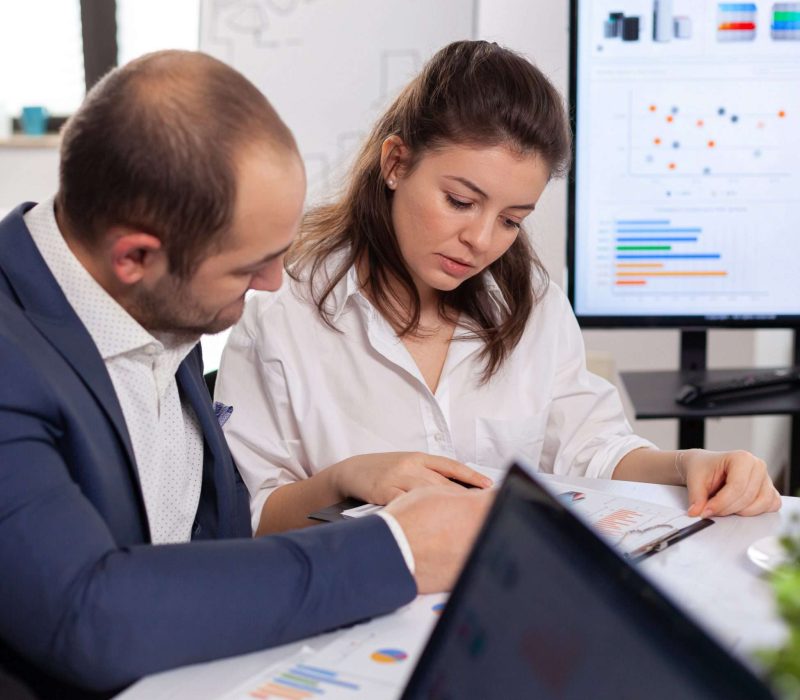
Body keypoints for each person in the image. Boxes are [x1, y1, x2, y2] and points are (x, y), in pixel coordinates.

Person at [0, 50, 492, 698]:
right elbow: (90, 616)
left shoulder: (151, 305)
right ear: (136, 256)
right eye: (247, 267)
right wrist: (396, 552)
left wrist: (341, 480)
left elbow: (207, 541)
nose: (272, 282)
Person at [215, 40, 782, 537]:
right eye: (460, 201)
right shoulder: (281, 308)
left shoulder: (530, 301)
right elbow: (250, 515)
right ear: (395, 162)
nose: (481, 241)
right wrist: (345, 479)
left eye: (512, 219)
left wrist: (691, 465)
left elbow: (591, 448)